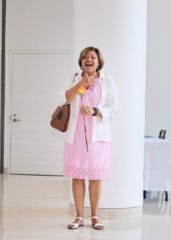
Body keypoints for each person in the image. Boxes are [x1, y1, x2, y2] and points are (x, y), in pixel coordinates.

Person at [60, 46, 118, 230]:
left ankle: (94, 216)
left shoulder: (108, 82)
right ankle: (78, 217)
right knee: (77, 176)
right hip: (75, 134)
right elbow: (63, 99)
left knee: (95, 177)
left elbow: (114, 109)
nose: (89, 60)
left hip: (97, 136)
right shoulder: (74, 78)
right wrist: (80, 85)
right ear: (81, 61)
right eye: (85, 57)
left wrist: (96, 111)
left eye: (92, 57)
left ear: (99, 61)